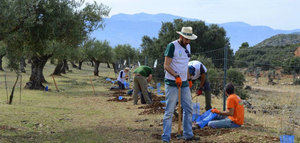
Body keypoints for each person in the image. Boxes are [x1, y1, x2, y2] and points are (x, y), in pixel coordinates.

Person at [162, 27, 199, 142]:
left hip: (184, 83)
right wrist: (176, 76)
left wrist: (188, 78)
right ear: (181, 36)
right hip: (172, 83)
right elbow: (166, 65)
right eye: (186, 39)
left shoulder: (188, 47)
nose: (188, 41)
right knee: (169, 110)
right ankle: (166, 138)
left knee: (188, 108)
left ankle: (188, 134)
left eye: (190, 39)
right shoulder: (172, 46)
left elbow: (185, 65)